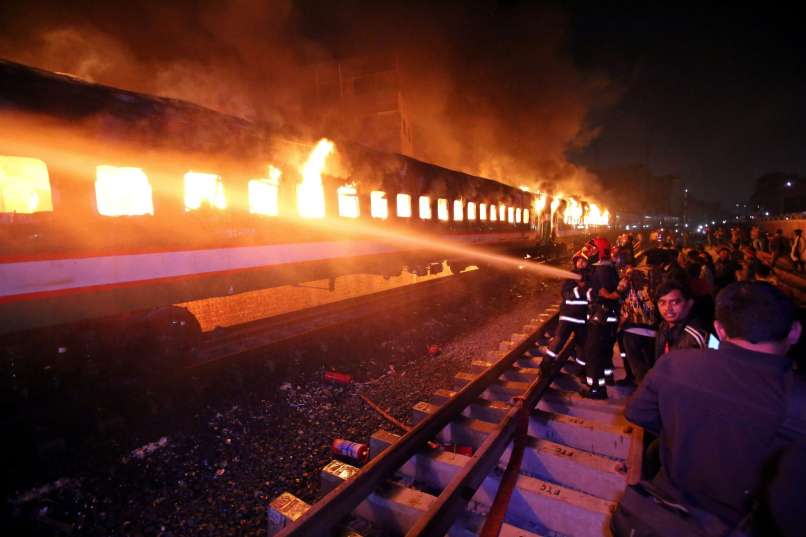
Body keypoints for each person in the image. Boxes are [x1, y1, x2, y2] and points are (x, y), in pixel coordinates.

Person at [617, 282, 805, 535]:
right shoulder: (797, 400)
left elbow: (637, 413)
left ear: (720, 329)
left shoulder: (675, 364)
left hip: (667, 517)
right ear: (794, 332)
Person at [580, 237, 620, 399]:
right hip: (609, 318)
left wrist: (586, 290)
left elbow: (602, 293)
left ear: (599, 251)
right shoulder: (609, 268)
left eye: (592, 250)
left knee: (593, 353)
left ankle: (596, 389)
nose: (589, 253)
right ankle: (607, 377)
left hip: (600, 319)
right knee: (605, 351)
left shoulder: (600, 271)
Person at [536, 251, 590, 368]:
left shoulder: (590, 277)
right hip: (568, 316)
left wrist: (585, 289)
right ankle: (545, 365)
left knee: (584, 347)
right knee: (558, 341)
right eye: (578, 260)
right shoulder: (571, 276)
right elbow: (565, 293)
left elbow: (592, 295)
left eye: (583, 261)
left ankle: (580, 370)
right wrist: (581, 290)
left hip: (581, 318)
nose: (580, 263)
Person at [617, 264, 658, 383]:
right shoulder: (651, 287)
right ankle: (653, 387)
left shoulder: (627, 284)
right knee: (651, 363)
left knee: (637, 364)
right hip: (651, 331)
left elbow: (618, 293)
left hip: (632, 330)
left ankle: (641, 388)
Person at [654, 280, 709, 360]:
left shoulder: (698, 334)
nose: (668, 308)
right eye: (662, 303)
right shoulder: (664, 326)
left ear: (689, 303)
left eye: (674, 303)